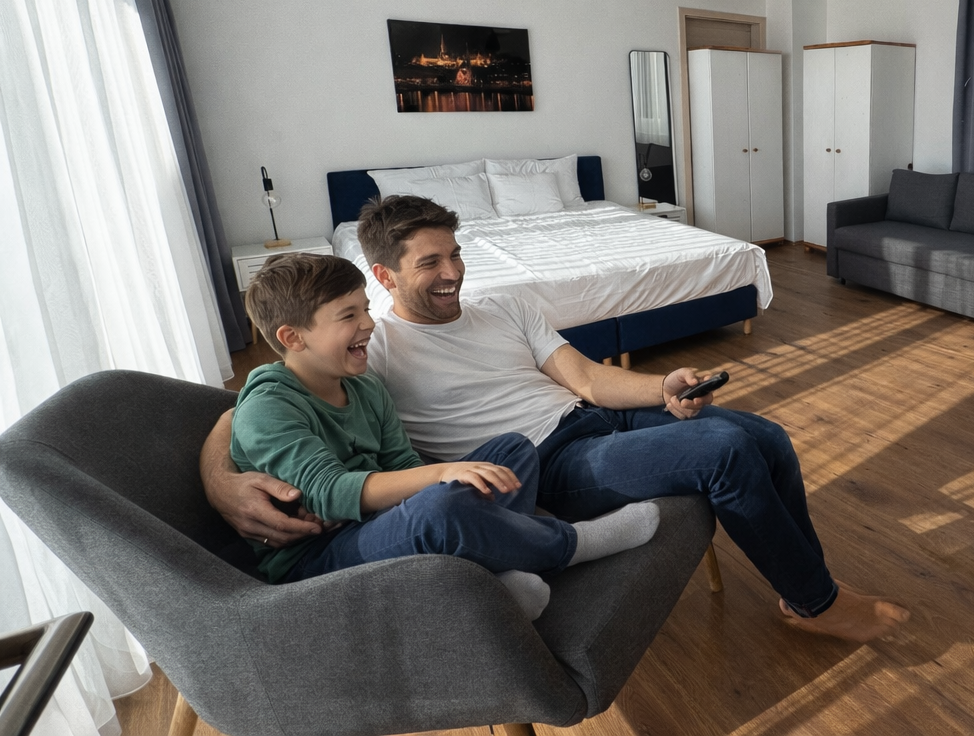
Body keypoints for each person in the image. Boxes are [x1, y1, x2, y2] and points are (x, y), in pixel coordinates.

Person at [202, 195, 909, 643]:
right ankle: (816, 603)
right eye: (429, 263)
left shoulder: (507, 306)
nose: (451, 272)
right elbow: (256, 404)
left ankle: (802, 590)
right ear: (384, 276)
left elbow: (588, 379)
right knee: (724, 451)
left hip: (591, 424)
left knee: (766, 434)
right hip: (549, 469)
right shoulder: (369, 346)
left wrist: (662, 385)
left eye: (455, 253)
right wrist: (219, 481)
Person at [232, 252, 658, 618]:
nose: (369, 323)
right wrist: (442, 477)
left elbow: (403, 465)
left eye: (365, 308)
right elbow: (329, 491)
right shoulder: (268, 407)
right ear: (293, 338)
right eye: (349, 316)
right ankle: (572, 544)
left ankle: (495, 576)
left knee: (511, 449)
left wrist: (441, 482)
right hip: (317, 557)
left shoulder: (364, 387)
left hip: (376, 523)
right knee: (439, 509)